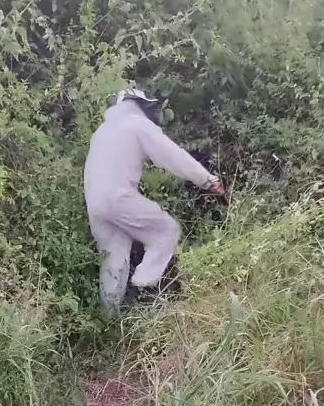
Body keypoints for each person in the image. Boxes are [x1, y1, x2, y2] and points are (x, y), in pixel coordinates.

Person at [83, 89, 226, 315]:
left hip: (94, 202)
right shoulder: (136, 123)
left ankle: (107, 322)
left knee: (113, 264)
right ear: (138, 104)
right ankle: (144, 288)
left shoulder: (101, 131)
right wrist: (206, 180)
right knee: (166, 230)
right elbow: (173, 155)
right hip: (117, 197)